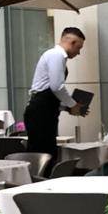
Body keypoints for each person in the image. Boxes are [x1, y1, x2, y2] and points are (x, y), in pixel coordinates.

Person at [23, 27, 87, 160]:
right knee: (43, 154)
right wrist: (73, 105)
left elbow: (49, 93)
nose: (79, 53)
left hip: (43, 109)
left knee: (46, 152)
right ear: (72, 43)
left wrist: (67, 108)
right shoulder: (56, 55)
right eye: (79, 48)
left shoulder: (55, 56)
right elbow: (56, 87)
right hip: (40, 112)